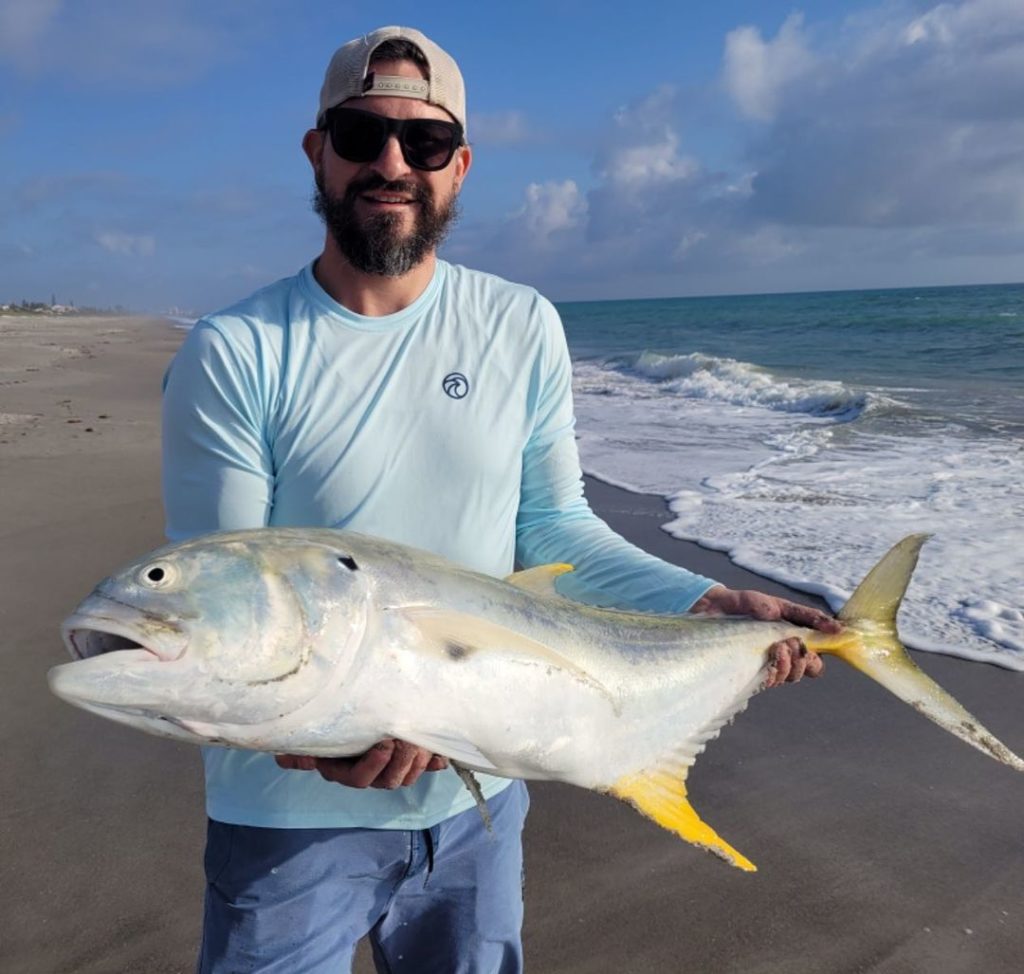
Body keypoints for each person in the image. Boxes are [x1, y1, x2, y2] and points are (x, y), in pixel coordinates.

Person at [162, 25, 838, 974]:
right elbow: (226, 610)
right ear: (317, 151)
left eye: (425, 143)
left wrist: (702, 604)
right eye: (361, 136)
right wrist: (348, 730)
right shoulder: (237, 351)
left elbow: (552, 527)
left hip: (481, 799)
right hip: (284, 824)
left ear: (461, 165)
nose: (392, 164)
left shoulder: (519, 324)